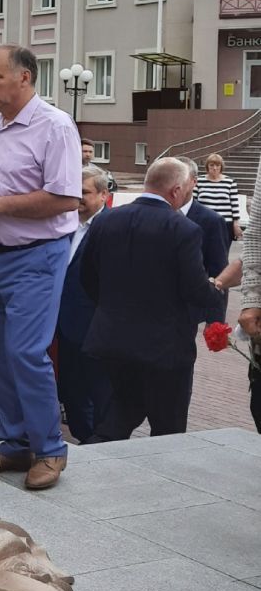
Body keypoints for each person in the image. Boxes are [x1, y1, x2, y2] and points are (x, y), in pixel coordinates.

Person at [0, 44, 82, 490]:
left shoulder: (54, 125)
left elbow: (67, 198)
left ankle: (50, 450)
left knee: (27, 353)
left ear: (25, 77)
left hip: (36, 256)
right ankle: (13, 444)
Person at [81, 156, 217, 441]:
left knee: (122, 411)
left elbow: (88, 278)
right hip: (165, 350)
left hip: (112, 340)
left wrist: (111, 308)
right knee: (168, 426)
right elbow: (196, 291)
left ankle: (90, 465)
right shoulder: (184, 229)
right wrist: (218, 286)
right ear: (176, 191)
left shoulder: (107, 220)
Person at [55, 166, 112, 442]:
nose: (78, 199)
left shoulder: (112, 227)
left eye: (85, 193)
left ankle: (100, 441)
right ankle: (81, 435)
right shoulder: (62, 223)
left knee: (99, 390)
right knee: (71, 389)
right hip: (63, 326)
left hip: (96, 327)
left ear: (103, 195)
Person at [178, 156, 230, 321]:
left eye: (180, 178)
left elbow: (219, 271)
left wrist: (215, 319)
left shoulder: (212, 221)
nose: (173, 184)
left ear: (193, 182)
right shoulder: (155, 214)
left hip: (187, 311)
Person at [194, 152, 241, 244]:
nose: (215, 168)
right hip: (203, 223)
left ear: (221, 166)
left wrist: (236, 224)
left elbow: (234, 205)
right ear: (207, 166)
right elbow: (193, 203)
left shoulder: (230, 182)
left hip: (225, 224)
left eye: (217, 165)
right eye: (211, 165)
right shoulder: (199, 181)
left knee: (222, 254)